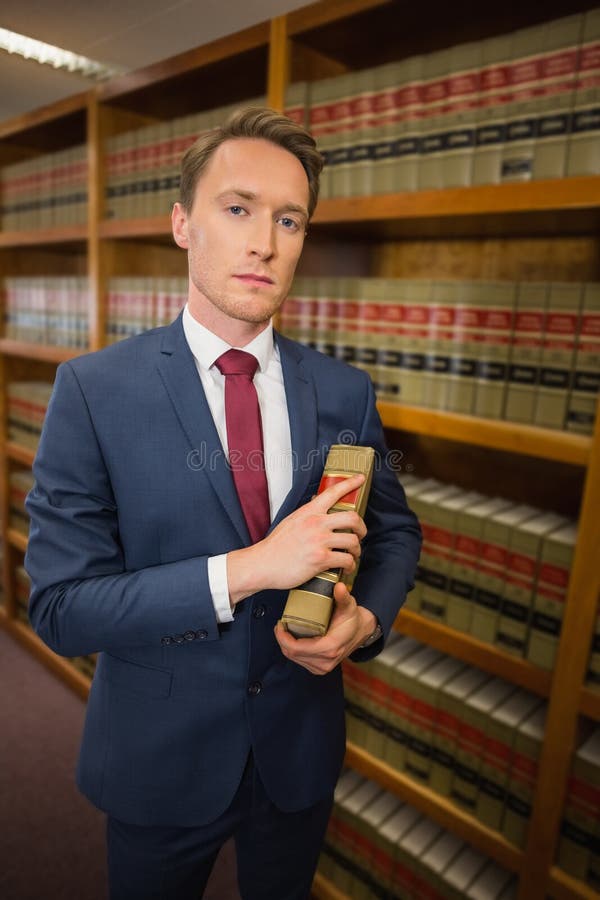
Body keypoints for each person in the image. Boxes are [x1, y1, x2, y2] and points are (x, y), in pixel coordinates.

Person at [25, 107, 421, 900]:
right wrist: (249, 569)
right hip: (158, 759)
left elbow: (396, 533)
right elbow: (63, 608)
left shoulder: (345, 391)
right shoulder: (94, 391)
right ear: (182, 223)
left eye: (289, 220)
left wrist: (365, 623)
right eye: (237, 209)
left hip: (298, 749)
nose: (264, 243)